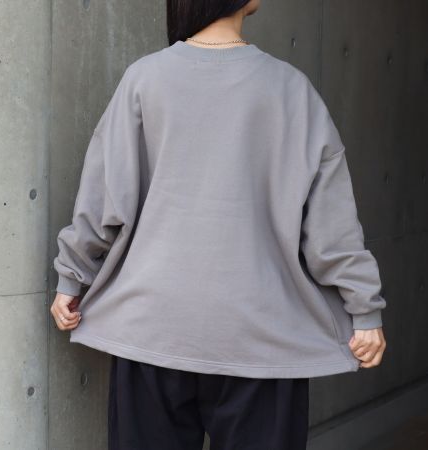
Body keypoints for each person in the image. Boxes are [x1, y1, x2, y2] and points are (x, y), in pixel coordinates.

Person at [50, 0, 387, 448]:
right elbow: (330, 223)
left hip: (152, 327)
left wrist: (72, 278)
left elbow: (105, 196)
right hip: (263, 336)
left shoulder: (145, 78)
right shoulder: (291, 89)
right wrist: (363, 308)